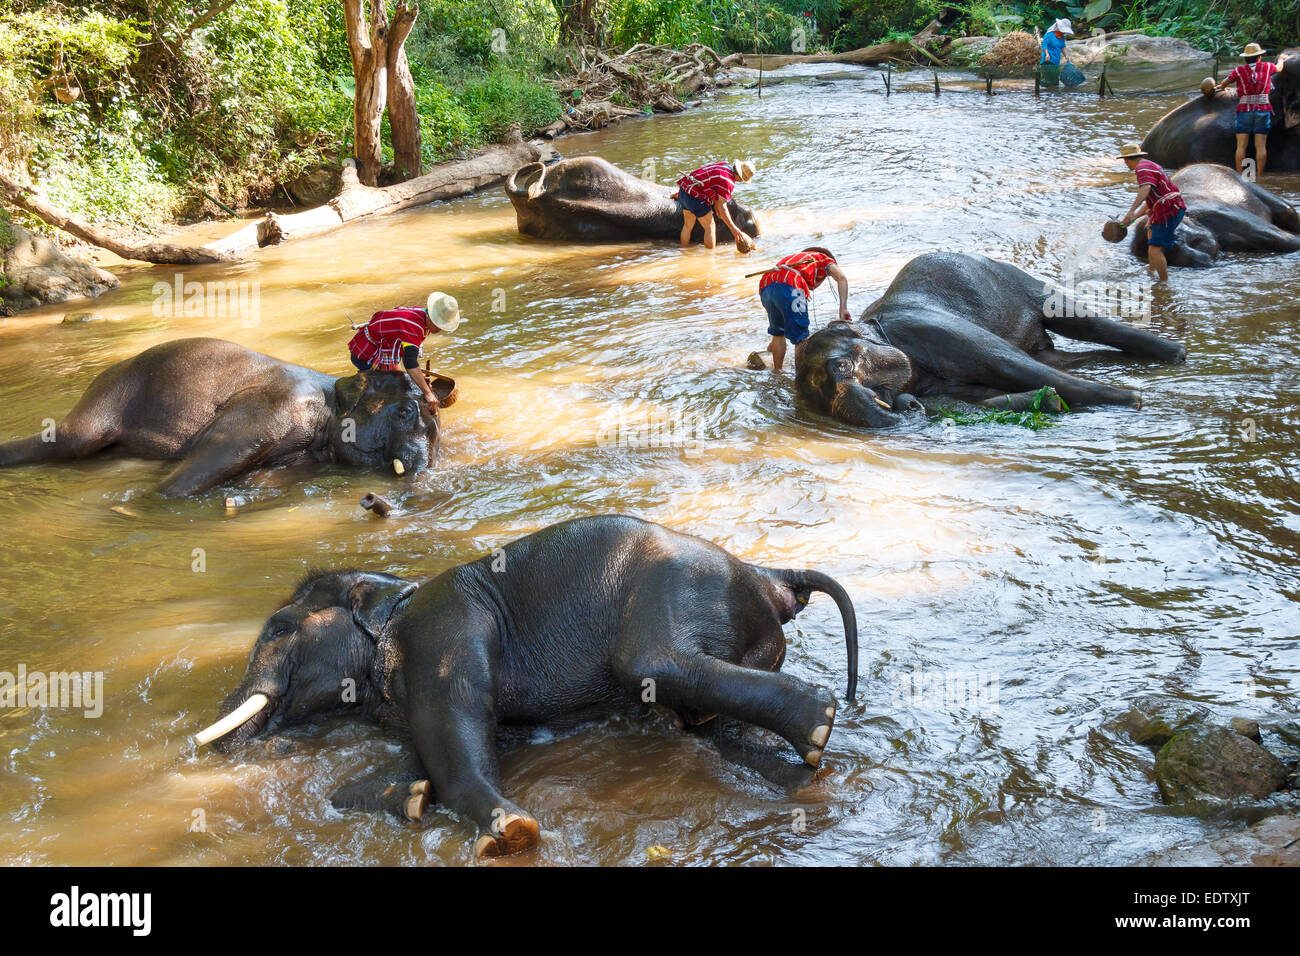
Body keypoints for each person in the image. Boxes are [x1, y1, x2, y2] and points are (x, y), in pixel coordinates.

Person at [347, 292, 462, 405]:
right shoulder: (413, 327)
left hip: (385, 348)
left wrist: (419, 380)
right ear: (431, 317)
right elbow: (410, 363)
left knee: (401, 382)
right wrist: (427, 393)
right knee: (383, 394)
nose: (439, 329)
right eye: (438, 324)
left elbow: (406, 355)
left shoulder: (421, 314)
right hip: (367, 353)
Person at [752, 246, 849, 372]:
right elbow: (842, 278)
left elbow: (778, 284)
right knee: (800, 339)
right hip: (791, 284)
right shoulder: (824, 259)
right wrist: (843, 309)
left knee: (778, 333)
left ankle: (777, 373)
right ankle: (799, 376)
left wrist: (769, 350)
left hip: (766, 283)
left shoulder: (794, 259)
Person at [1116, 143, 1186, 283]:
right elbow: (1150, 201)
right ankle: (1151, 271)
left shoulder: (1142, 169)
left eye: (1125, 160)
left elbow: (1145, 189)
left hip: (1168, 211)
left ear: (1130, 159)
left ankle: (1163, 283)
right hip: (1171, 207)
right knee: (1150, 234)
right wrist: (1133, 218)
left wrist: (1131, 211)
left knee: (1155, 248)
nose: (1125, 164)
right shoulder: (1150, 165)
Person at [1214, 42, 1280, 177]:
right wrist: (1283, 59)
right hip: (1263, 109)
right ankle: (1259, 176)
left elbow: (1226, 81)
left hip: (1244, 110)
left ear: (1245, 58)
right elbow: (1279, 68)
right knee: (1260, 146)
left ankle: (1241, 177)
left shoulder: (1238, 71)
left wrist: (1221, 87)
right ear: (1259, 57)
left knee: (1241, 146)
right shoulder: (1267, 67)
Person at [672, 160, 756, 252]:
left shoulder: (724, 165)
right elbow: (723, 207)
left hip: (684, 190)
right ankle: (710, 258)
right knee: (710, 227)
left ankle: (684, 252)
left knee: (688, 225)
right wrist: (734, 229)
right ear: (740, 177)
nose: (740, 181)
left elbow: (712, 182)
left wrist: (716, 203)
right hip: (695, 197)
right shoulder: (728, 181)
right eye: (743, 179)